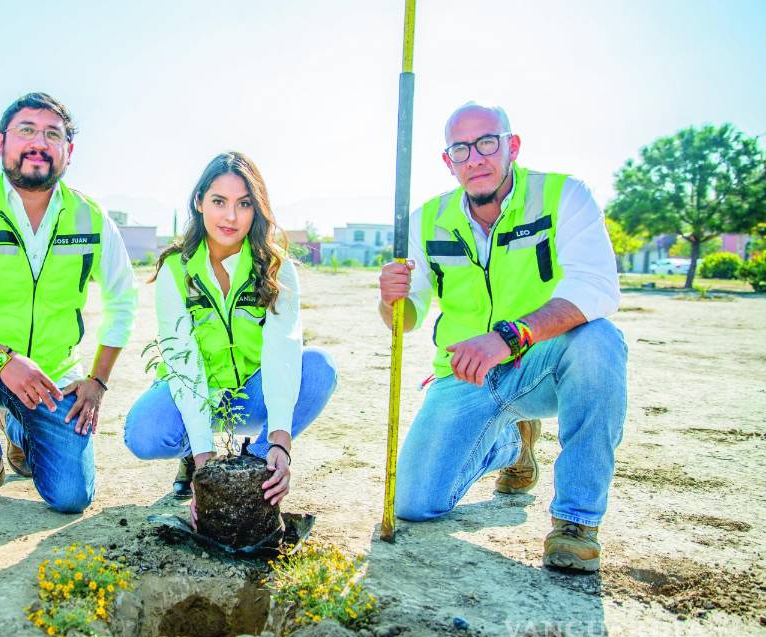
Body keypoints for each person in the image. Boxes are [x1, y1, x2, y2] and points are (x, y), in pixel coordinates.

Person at [378, 102, 626, 572]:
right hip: (465, 374)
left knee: (600, 342)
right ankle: (513, 443)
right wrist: (391, 299)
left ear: (511, 146)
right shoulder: (426, 219)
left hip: (541, 362)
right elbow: (405, 319)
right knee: (413, 502)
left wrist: (508, 338)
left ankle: (575, 522)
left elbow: (596, 287)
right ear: (447, 161)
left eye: (486, 143)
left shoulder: (563, 196)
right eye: (460, 149)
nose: (474, 158)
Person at [0, 92, 137, 517]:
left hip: (54, 377)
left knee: (71, 498)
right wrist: (6, 360)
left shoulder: (92, 218)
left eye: (52, 134)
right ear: (0, 143)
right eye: (26, 130)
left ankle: (20, 430)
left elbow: (123, 300)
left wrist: (98, 382)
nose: (39, 142)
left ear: (67, 152)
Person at [124, 151, 338, 522]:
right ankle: (192, 454)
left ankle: (253, 466)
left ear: (257, 209)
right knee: (143, 432)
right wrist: (206, 469)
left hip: (251, 395)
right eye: (219, 202)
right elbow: (181, 361)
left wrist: (279, 443)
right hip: (199, 392)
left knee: (319, 368)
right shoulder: (176, 268)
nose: (231, 216)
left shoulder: (275, 267)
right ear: (199, 202)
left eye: (244, 203)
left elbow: (281, 350)